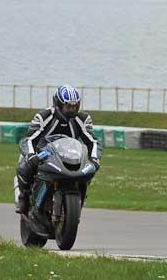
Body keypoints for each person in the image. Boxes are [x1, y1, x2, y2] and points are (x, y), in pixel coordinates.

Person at [15, 85, 102, 213]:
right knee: (24, 168)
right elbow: (28, 139)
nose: (72, 110)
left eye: (75, 106)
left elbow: (93, 141)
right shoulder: (43, 117)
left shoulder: (83, 119)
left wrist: (95, 159)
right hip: (43, 153)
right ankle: (24, 197)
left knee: (88, 171)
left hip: (70, 155)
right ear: (58, 104)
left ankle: (78, 198)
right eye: (68, 106)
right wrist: (31, 155)